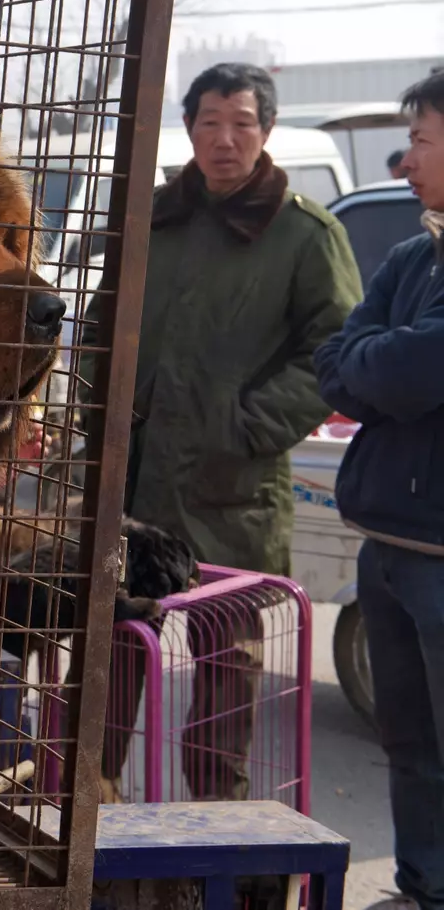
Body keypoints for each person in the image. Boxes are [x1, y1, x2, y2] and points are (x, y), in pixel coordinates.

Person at [79, 62, 363, 801]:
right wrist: (94, 421)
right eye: (210, 122)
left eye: (241, 122)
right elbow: (98, 330)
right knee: (108, 658)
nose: (225, 139)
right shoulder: (152, 220)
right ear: (189, 129)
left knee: (225, 675)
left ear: (265, 130)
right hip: (133, 481)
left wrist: (248, 424)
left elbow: (335, 350)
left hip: (229, 490)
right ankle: (85, 822)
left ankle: (214, 841)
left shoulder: (303, 234)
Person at [314, 69, 444, 910]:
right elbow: (342, 365)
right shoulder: (412, 252)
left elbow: (416, 365)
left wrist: (395, 359)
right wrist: (393, 358)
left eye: (424, 139)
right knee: (409, 744)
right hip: (389, 545)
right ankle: (423, 886)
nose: (406, 160)